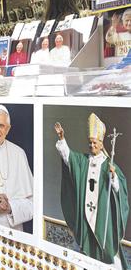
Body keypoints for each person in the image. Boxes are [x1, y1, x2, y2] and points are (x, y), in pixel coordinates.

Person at [54, 114, 129, 268]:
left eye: (94, 142)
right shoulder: (83, 161)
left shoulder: (109, 164)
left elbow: (121, 190)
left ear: (101, 144)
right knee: (82, 254)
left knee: (108, 253)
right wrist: (62, 139)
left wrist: (114, 177)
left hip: (103, 218)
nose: (92, 145)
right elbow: (68, 158)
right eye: (90, 142)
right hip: (85, 217)